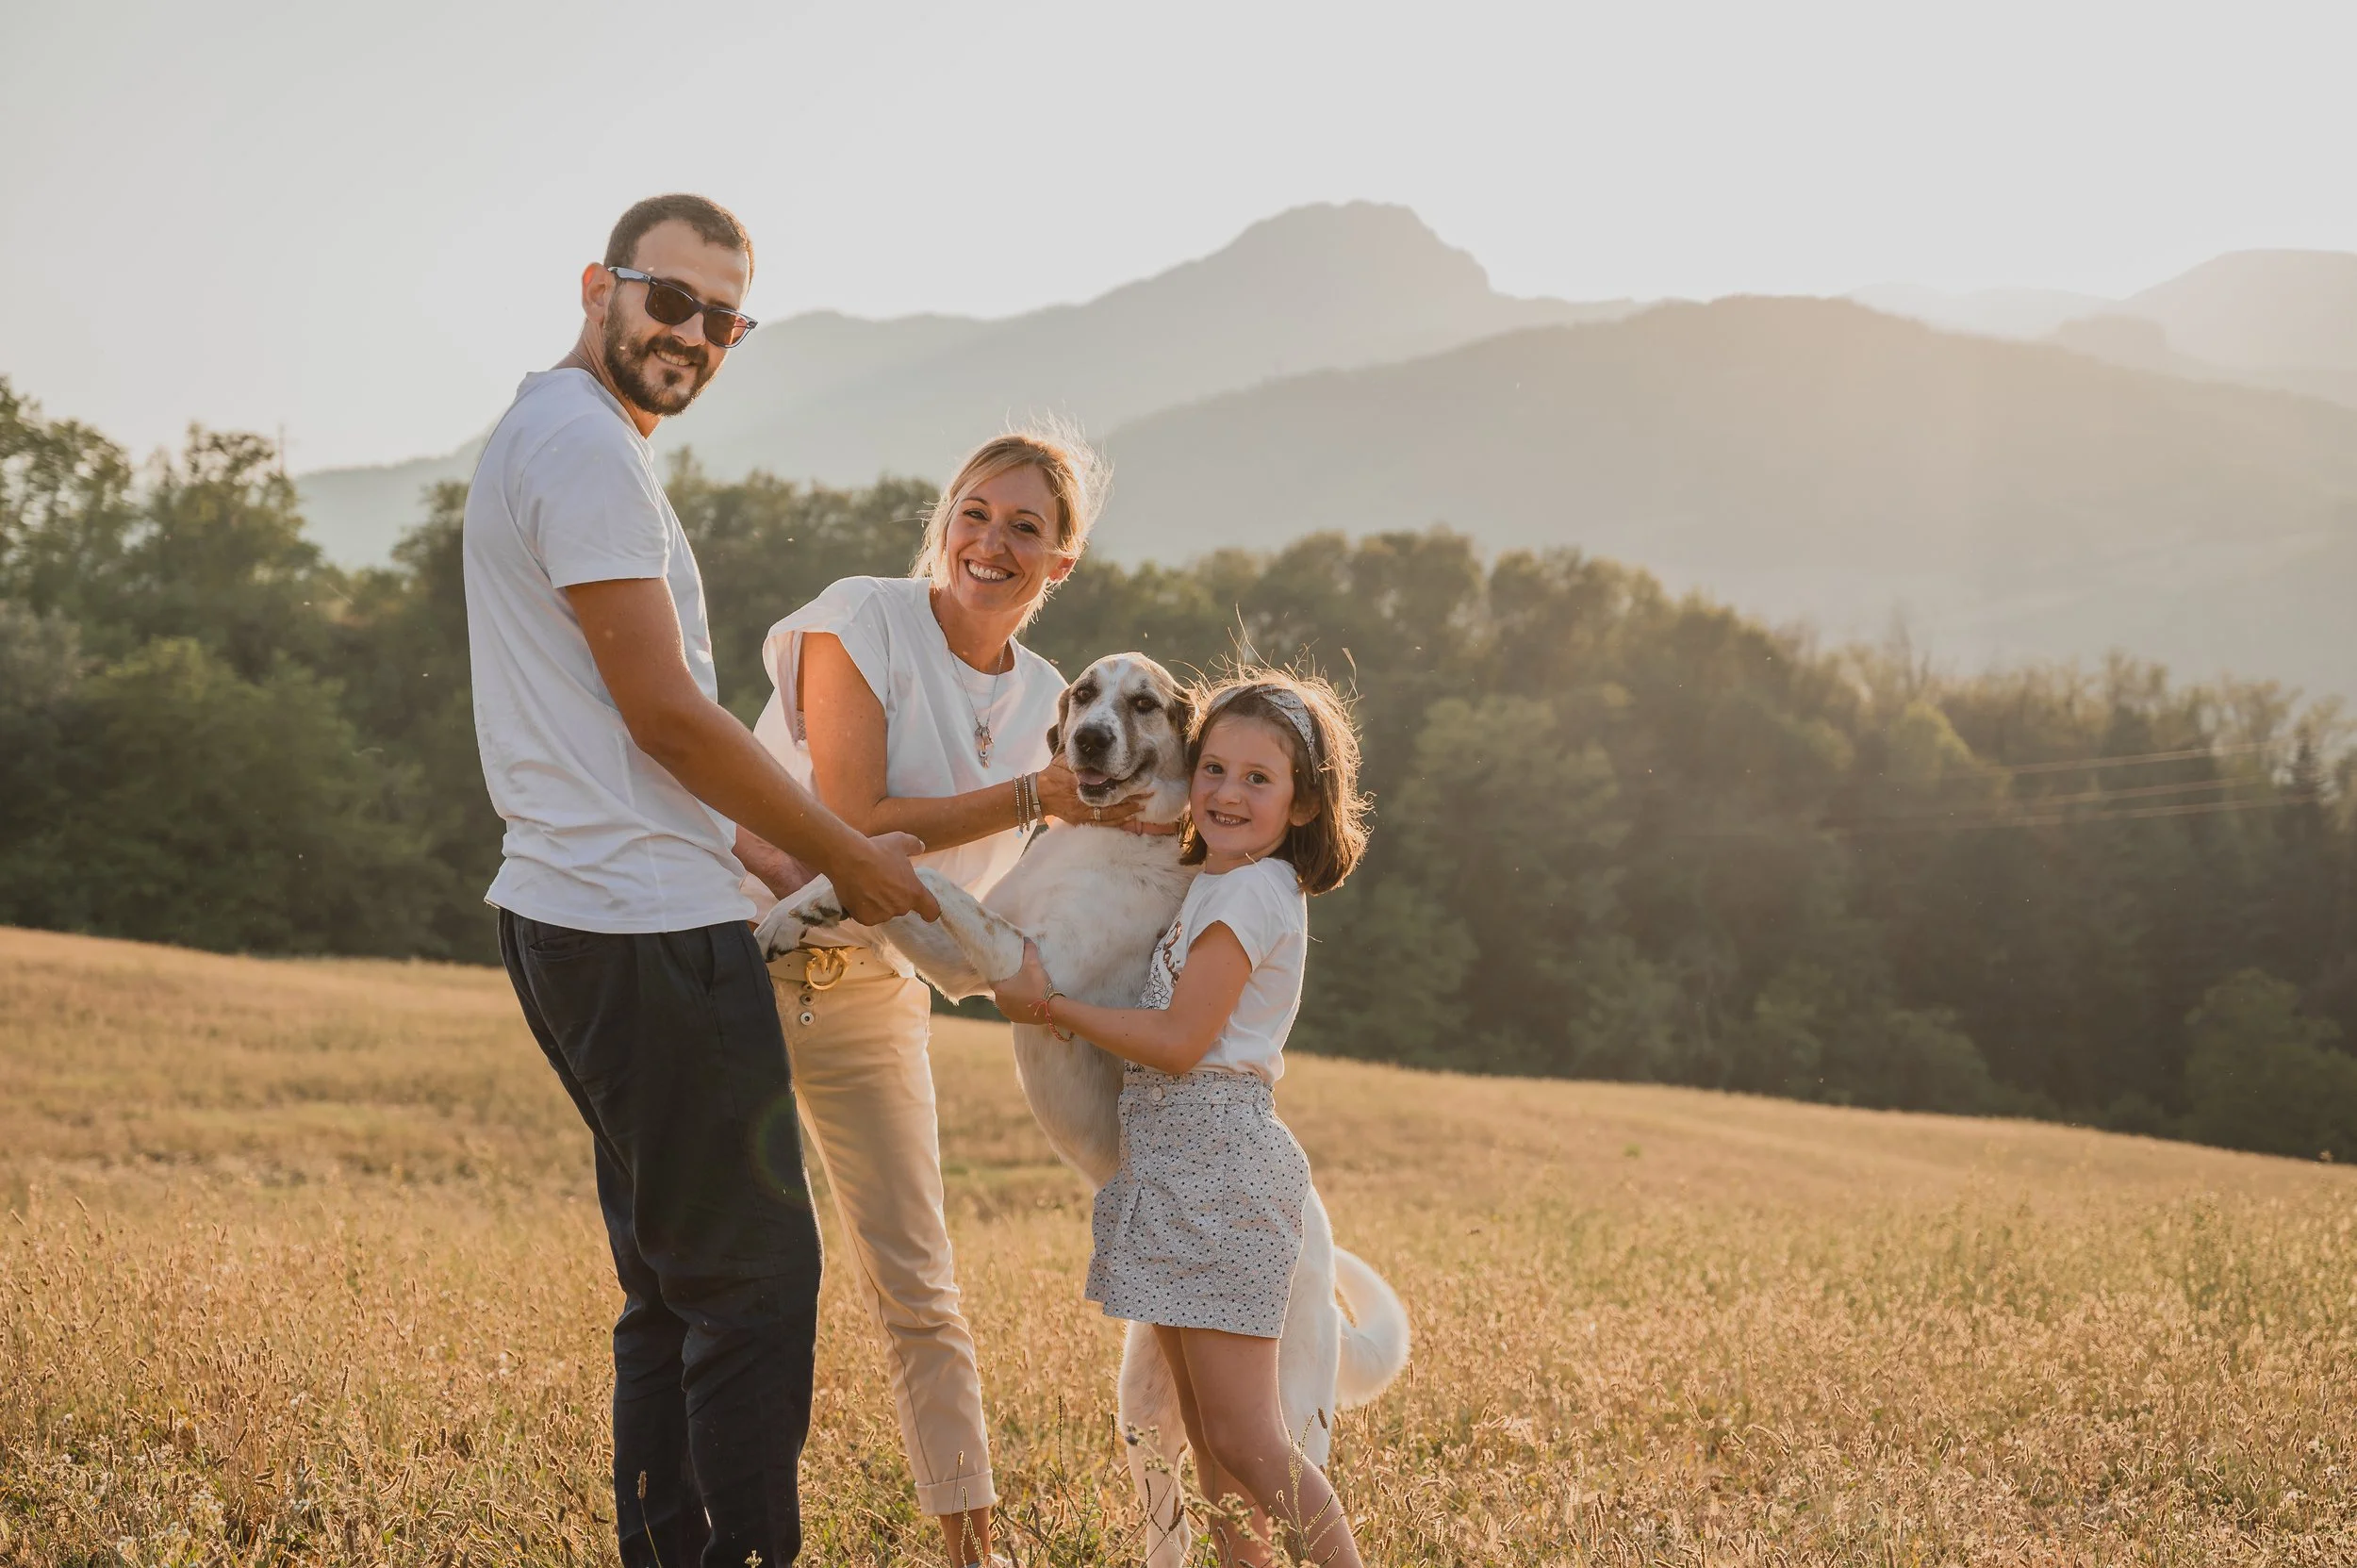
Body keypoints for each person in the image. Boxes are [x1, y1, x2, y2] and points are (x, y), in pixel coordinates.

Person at [464, 192, 938, 1568]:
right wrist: (850, 851)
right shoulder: (585, 450)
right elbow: (665, 711)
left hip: (596, 905)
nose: (693, 335)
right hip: (637, 931)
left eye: (723, 319)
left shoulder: (562, 436)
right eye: (670, 300)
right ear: (599, 283)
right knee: (754, 1286)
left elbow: (609, 731)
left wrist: (768, 848)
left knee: (673, 1288)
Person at [733, 429, 1130, 1568]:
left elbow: (1055, 867)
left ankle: (972, 1546)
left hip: (870, 978)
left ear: (1060, 564)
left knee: (919, 1276)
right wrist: (1029, 794)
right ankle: (739, 1535)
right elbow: (846, 819)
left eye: (1024, 527)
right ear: (943, 519)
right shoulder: (860, 616)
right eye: (973, 511)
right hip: (733, 944)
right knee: (747, 1268)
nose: (989, 541)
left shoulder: (1057, 700)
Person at [991, 669, 1374, 1568]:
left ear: (1307, 803)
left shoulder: (1248, 895)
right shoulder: (1215, 881)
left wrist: (1055, 1005)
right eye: (1214, 769)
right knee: (1209, 1449)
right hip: (1172, 1172)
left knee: (1252, 1446)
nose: (1226, 794)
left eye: (1258, 779)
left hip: (1219, 1172)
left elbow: (1176, 1039)